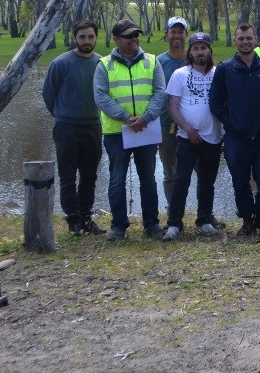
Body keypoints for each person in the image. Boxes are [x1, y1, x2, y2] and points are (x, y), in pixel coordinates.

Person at [94, 17, 168, 240]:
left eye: (136, 35)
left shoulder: (152, 62)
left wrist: (145, 118)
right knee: (117, 179)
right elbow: (101, 97)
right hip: (117, 132)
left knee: (148, 179)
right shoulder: (104, 65)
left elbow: (160, 93)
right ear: (116, 39)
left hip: (146, 130)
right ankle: (119, 226)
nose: (134, 39)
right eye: (128, 36)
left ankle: (151, 224)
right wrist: (126, 117)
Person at [209, 23, 260, 237]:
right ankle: (247, 221)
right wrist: (231, 123)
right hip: (237, 138)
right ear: (235, 41)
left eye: (249, 38)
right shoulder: (225, 68)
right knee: (240, 181)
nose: (245, 42)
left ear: (256, 40)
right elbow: (215, 102)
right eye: (241, 38)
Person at [41, 19, 105, 236]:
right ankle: (73, 221)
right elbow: (48, 95)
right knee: (68, 176)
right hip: (66, 127)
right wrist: (62, 114)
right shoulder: (60, 63)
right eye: (82, 37)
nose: (86, 41)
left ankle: (86, 218)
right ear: (74, 37)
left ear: (96, 38)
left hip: (94, 126)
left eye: (90, 37)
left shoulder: (101, 63)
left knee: (89, 176)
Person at [163, 33, 224, 239]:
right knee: (182, 180)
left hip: (213, 138)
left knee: (207, 182)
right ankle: (174, 224)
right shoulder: (180, 74)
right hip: (186, 137)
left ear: (209, 51)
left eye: (203, 48)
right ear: (190, 52)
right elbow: (172, 107)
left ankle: (204, 220)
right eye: (196, 49)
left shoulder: (219, 73)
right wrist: (188, 129)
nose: (200, 52)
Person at [156, 16, 190, 211]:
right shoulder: (157, 63)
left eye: (180, 31)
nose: (177, 35)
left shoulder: (195, 58)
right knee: (170, 171)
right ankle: (174, 211)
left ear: (186, 34)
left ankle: (205, 212)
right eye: (173, 31)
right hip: (165, 124)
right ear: (166, 34)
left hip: (194, 125)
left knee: (201, 169)